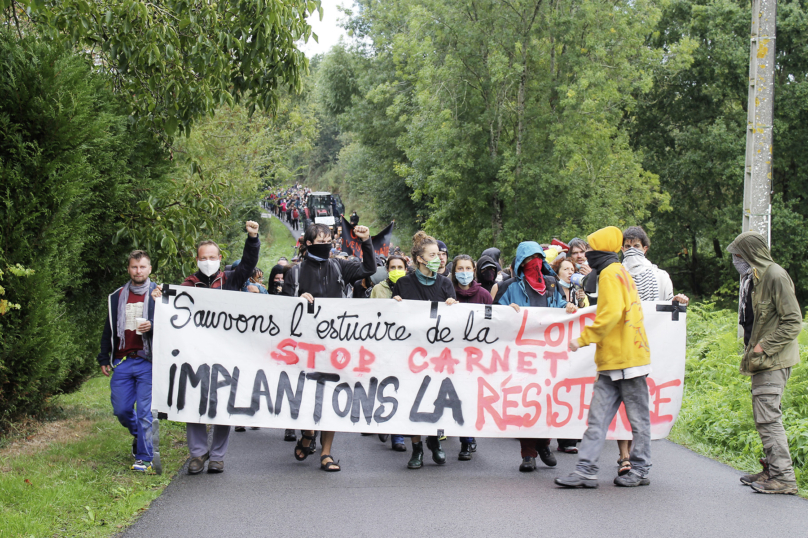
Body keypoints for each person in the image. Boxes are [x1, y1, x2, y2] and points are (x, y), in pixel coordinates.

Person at [152, 221, 261, 474]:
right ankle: (198, 454)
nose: (208, 261)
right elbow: (174, 312)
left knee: (224, 404)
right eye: (204, 257)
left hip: (227, 355)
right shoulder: (188, 285)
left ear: (220, 258)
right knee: (194, 402)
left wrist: (253, 237)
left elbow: (247, 263)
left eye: (212, 257)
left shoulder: (231, 280)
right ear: (197, 259)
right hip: (197, 355)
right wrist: (161, 297)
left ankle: (218, 456)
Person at [555, 226, 652, 489]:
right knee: (607, 419)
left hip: (625, 361)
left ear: (602, 250)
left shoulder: (610, 275)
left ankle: (638, 469)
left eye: (591, 249)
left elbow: (609, 315)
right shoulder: (619, 271)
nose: (587, 254)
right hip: (619, 359)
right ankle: (586, 470)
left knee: (633, 420)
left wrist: (582, 339)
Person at [282, 222, 376, 472]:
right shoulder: (296, 272)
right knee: (306, 394)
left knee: (331, 395)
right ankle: (308, 433)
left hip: (335, 345)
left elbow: (369, 268)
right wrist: (297, 300)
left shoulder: (340, 265)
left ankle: (326, 453)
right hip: (305, 347)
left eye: (329, 240)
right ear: (309, 244)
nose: (326, 245)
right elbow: (282, 311)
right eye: (320, 241)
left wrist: (366, 242)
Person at [729, 232, 801, 495]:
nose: (735, 260)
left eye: (738, 254)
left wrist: (763, 347)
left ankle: (784, 478)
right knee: (764, 417)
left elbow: (793, 321)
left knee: (769, 419)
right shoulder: (754, 279)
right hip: (761, 361)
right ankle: (772, 469)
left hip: (773, 360)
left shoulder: (775, 275)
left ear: (750, 254)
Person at [497, 241, 577, 472]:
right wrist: (507, 310)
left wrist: (568, 307)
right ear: (521, 262)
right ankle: (528, 454)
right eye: (529, 258)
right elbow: (496, 315)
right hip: (522, 356)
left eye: (538, 257)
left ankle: (544, 445)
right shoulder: (511, 287)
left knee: (547, 402)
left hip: (549, 355)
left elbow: (561, 306)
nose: (535, 262)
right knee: (526, 403)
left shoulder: (551, 284)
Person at [615, 226, 690, 475]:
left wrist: (678, 302)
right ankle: (624, 456)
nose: (631, 250)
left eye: (636, 246)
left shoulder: (661, 276)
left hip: (650, 345)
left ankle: (637, 456)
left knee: (640, 402)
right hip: (622, 345)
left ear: (645, 248)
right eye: (627, 246)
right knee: (622, 400)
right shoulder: (615, 274)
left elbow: (667, 308)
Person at [392, 231, 458, 468]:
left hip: (439, 355)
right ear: (419, 258)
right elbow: (392, 323)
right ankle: (417, 447)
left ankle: (435, 441)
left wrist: (454, 307)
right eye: (432, 254)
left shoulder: (446, 284)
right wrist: (395, 307)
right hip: (411, 354)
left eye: (440, 254)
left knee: (437, 398)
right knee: (414, 399)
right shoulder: (403, 284)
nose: (439, 258)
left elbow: (455, 324)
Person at [97, 250, 158, 472]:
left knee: (144, 412)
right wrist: (104, 356)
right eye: (134, 267)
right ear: (128, 269)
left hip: (148, 361)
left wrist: (152, 325)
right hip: (122, 361)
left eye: (142, 267)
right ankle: (139, 435)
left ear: (150, 269)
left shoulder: (159, 295)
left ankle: (144, 457)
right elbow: (109, 329)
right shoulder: (117, 296)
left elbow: (173, 326)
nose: (138, 271)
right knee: (121, 409)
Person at [451, 254, 491, 460]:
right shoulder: (447, 292)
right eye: (461, 268)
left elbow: (494, 323)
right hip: (452, 356)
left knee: (470, 398)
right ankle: (462, 440)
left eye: (468, 268)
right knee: (457, 398)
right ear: (454, 271)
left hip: (476, 357)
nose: (464, 273)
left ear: (474, 271)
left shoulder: (484, 295)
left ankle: (468, 438)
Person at [551, 256, 588, 455]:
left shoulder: (577, 290)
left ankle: (568, 438)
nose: (569, 272)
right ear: (557, 272)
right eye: (565, 269)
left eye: (572, 269)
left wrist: (581, 301)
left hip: (574, 345)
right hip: (554, 345)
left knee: (572, 388)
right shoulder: (552, 288)